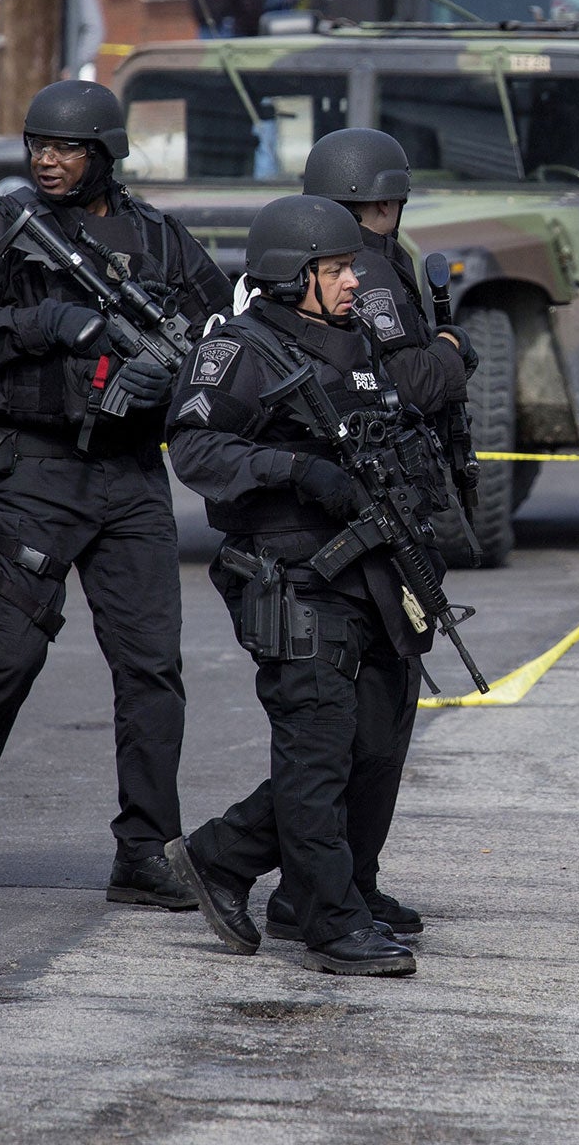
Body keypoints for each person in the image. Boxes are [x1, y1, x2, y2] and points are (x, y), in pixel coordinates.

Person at [0, 80, 232, 907]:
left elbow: (218, 336)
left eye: (66, 148)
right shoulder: (2, 229)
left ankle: (146, 849)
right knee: (9, 655)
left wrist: (170, 378)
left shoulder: (158, 237)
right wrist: (41, 325)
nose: (47, 161)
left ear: (104, 153)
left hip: (130, 475)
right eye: (38, 146)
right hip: (34, 471)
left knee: (152, 668)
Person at [164, 194, 457, 976]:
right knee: (320, 746)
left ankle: (226, 858)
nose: (355, 281)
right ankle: (330, 920)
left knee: (372, 745)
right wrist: (295, 470)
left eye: (352, 267)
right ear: (295, 275)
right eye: (337, 270)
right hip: (292, 575)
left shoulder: (355, 342)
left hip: (371, 573)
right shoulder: (240, 350)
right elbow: (196, 448)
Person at [243, 127, 474, 945]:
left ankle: (340, 882)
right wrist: (450, 355)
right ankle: (290, 882)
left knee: (376, 728)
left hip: (388, 517)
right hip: (318, 547)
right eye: (380, 206)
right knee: (330, 737)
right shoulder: (355, 277)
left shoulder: (372, 267)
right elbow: (401, 381)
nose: (381, 223)